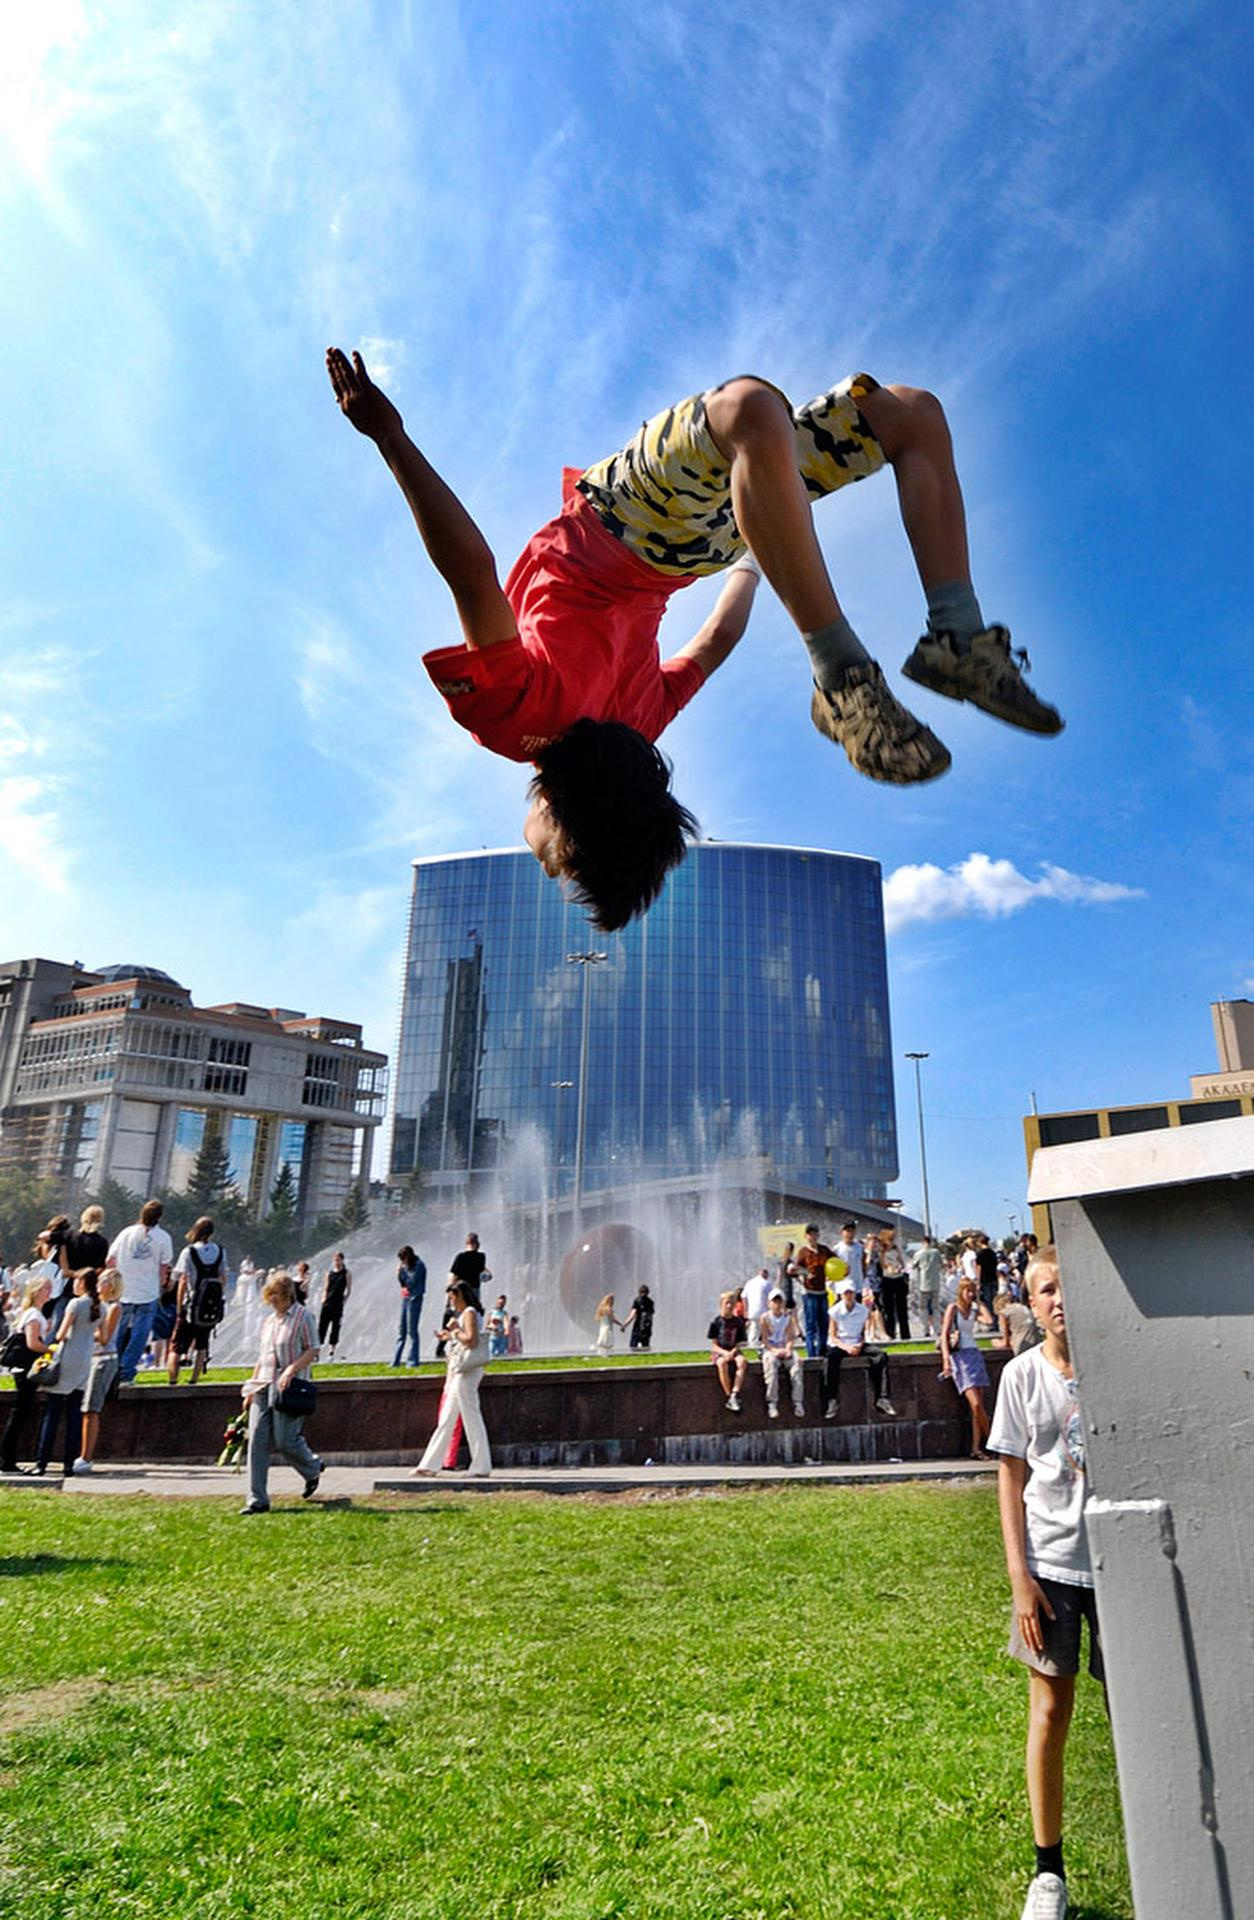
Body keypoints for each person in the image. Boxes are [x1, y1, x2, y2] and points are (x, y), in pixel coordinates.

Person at [326, 348, 1060, 931]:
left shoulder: (619, 726)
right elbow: (473, 573)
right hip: (627, 517)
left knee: (910, 415)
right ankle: (843, 677)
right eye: (559, 865)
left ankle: (957, 637)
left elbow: (717, 638)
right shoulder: (519, 719)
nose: (545, 867)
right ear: (565, 823)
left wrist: (763, 543)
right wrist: (390, 438)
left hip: (697, 539)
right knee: (753, 407)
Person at [988, 1247, 1097, 1920]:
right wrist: (1018, 1576)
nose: (1059, 1298)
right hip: (1052, 1567)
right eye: (1045, 1289)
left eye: (1067, 1285)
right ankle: (1048, 1872)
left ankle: (1165, 1848)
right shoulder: (1023, 1377)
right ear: (1032, 1304)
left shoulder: (1119, 1364)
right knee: (1050, 1712)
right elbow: (1010, 1476)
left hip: (1124, 1565)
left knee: (1136, 1715)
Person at [240, 1270, 322, 1513]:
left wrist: (290, 1371)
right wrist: (251, 1388)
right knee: (257, 1439)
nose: (272, 1299)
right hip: (264, 1385)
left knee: (285, 1440)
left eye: (276, 1294)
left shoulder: (303, 1316)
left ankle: (312, 1468)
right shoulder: (269, 1321)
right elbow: (262, 1356)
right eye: (269, 1294)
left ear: (287, 1294)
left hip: (290, 1388)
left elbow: (312, 1349)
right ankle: (257, 1500)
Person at [411, 1279, 491, 1478]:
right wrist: (449, 1336)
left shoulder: (469, 1312)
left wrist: (455, 1330)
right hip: (461, 1371)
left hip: (468, 1372)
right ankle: (430, 1464)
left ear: (460, 1296)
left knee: (471, 1417)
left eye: (452, 1298)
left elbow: (471, 1341)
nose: (451, 1303)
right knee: (446, 1418)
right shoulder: (466, 1313)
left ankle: (481, 1466)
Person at [35, 1268, 100, 1476]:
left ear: (83, 1283)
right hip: (85, 1360)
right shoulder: (100, 1307)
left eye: (76, 1281)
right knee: (74, 1416)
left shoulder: (75, 1303)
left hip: (67, 1358)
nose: (73, 1284)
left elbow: (62, 1333)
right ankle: (68, 1465)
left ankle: (41, 1463)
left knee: (52, 1414)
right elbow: (101, 1335)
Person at [108, 1199, 174, 1384]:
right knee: (139, 1334)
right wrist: (161, 1284)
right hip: (148, 1292)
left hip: (123, 1290)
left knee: (118, 1331)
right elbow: (164, 1266)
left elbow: (110, 1260)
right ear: (159, 1217)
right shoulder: (163, 1238)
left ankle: (113, 1367)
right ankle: (126, 1372)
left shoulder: (126, 1233)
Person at [0, 1273, 53, 1473]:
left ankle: (7, 1457)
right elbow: (33, 1343)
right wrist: (51, 1350)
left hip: (23, 1368)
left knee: (20, 1413)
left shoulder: (31, 1312)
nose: (49, 1292)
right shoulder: (34, 1315)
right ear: (37, 1292)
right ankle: (7, 1458)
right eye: (46, 1288)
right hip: (26, 1369)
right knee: (19, 1413)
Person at [824, 1277, 896, 1419]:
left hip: (856, 1343)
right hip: (841, 1344)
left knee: (880, 1356)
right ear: (841, 1295)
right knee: (830, 1360)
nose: (849, 1296)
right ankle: (831, 1400)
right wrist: (846, 1347)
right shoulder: (835, 1311)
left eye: (851, 1293)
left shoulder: (863, 1310)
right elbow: (832, 1336)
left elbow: (864, 1332)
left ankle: (882, 1397)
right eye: (846, 1293)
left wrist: (859, 1344)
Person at [74, 1267, 123, 1473]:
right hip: (89, 1358)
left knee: (91, 1409)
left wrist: (81, 1330)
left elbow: (105, 1337)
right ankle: (80, 1454)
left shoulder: (113, 1307)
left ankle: (86, 1457)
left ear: (111, 1286)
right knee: (85, 1409)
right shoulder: (95, 1305)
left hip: (103, 1360)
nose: (98, 1284)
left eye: (102, 1281)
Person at [168, 1218, 228, 1386]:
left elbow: (182, 1280)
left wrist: (179, 1307)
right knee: (202, 1345)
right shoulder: (220, 1251)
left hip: (190, 1304)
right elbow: (222, 1278)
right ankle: (194, 1380)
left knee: (176, 1347)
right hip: (209, 1308)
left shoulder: (189, 1252)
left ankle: (173, 1381)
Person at [939, 1273, 992, 1458]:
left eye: (973, 1291)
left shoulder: (974, 1310)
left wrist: (979, 1302)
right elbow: (944, 1334)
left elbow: (989, 1320)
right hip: (960, 1357)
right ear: (961, 1292)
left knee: (977, 1407)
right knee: (976, 1404)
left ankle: (976, 1448)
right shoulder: (953, 1308)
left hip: (974, 1354)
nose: (970, 1294)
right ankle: (993, 1442)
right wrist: (946, 1359)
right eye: (968, 1291)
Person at [759, 1288, 806, 1420]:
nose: (777, 1304)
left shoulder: (788, 1318)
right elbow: (764, 1339)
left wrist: (788, 1349)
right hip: (770, 1349)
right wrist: (774, 1350)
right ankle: (772, 1402)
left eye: (780, 1301)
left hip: (784, 1348)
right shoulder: (765, 1318)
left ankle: (798, 1402)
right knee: (771, 1367)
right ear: (769, 1303)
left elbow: (790, 1337)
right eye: (775, 1301)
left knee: (797, 1365)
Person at [794, 1224, 833, 1359]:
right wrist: (805, 1275)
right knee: (811, 1325)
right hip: (809, 1293)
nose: (813, 1237)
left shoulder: (824, 1250)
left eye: (815, 1234)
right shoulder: (803, 1252)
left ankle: (822, 1352)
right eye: (810, 1234)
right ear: (806, 1236)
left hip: (822, 1292)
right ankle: (811, 1354)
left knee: (824, 1324)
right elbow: (793, 1269)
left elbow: (835, 1262)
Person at [707, 1291, 749, 1412]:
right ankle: (728, 1395)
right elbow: (713, 1345)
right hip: (719, 1352)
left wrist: (733, 1351)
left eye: (732, 1303)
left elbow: (740, 1343)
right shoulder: (716, 1322)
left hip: (733, 1351)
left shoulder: (738, 1322)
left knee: (742, 1362)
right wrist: (724, 1353)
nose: (729, 1306)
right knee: (722, 1364)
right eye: (727, 1303)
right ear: (721, 1304)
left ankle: (735, 1393)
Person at [393, 1245, 427, 1368]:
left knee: (412, 1330)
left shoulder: (418, 1265)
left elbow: (411, 1283)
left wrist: (401, 1274)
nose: (402, 1262)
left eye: (403, 1259)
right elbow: (403, 1285)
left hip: (415, 1299)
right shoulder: (406, 1267)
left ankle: (413, 1361)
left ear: (408, 1257)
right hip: (406, 1298)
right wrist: (400, 1274)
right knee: (402, 1330)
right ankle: (395, 1360)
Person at [877, 1228, 910, 1341]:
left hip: (899, 1279)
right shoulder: (882, 1253)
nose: (891, 1242)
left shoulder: (896, 1251)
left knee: (902, 1308)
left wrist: (900, 1268)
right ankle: (891, 1333)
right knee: (888, 1309)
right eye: (889, 1240)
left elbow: (902, 1263)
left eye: (892, 1239)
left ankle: (905, 1335)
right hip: (887, 1280)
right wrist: (890, 1269)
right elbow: (884, 1266)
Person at [318, 1251, 353, 1359]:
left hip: (338, 1303)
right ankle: (317, 1351)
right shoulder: (329, 1273)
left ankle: (331, 1351)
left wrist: (345, 1300)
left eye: (338, 1260)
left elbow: (348, 1289)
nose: (336, 1262)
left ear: (342, 1260)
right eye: (335, 1260)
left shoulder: (346, 1273)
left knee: (335, 1327)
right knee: (322, 1327)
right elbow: (326, 1287)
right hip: (328, 1303)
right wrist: (323, 1299)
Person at [908, 1235, 944, 1339]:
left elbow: (914, 1265)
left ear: (923, 1242)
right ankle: (937, 1329)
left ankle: (925, 1329)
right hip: (935, 1282)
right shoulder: (936, 1252)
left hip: (923, 1283)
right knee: (935, 1307)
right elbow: (941, 1264)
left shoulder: (919, 1253)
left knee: (923, 1308)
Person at [994, 1289, 1040, 1357]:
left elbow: (1005, 1343)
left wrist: (995, 1343)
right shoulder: (1024, 1307)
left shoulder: (1004, 1313)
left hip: (1022, 1347)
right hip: (1037, 1345)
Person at [742, 1266, 773, 1347]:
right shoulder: (767, 1283)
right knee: (766, 1331)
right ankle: (765, 1346)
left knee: (754, 1331)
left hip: (752, 1311)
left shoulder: (749, 1282)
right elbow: (771, 1298)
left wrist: (745, 1310)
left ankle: (752, 1347)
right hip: (763, 1311)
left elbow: (743, 1296)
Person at [623, 1283, 655, 1351]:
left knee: (633, 1346)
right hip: (647, 1328)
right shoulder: (651, 1302)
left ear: (639, 1292)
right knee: (646, 1346)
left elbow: (632, 1314)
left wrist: (625, 1325)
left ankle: (633, 1359)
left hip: (638, 1327)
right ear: (648, 1292)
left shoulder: (637, 1300)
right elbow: (651, 1315)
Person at [485, 1293, 509, 1360]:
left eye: (503, 1303)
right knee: (491, 1353)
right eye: (500, 1303)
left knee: (501, 1354)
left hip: (501, 1336)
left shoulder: (504, 1313)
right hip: (492, 1336)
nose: (501, 1304)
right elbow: (487, 1325)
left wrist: (506, 1330)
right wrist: (491, 1327)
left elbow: (506, 1322)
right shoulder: (491, 1313)